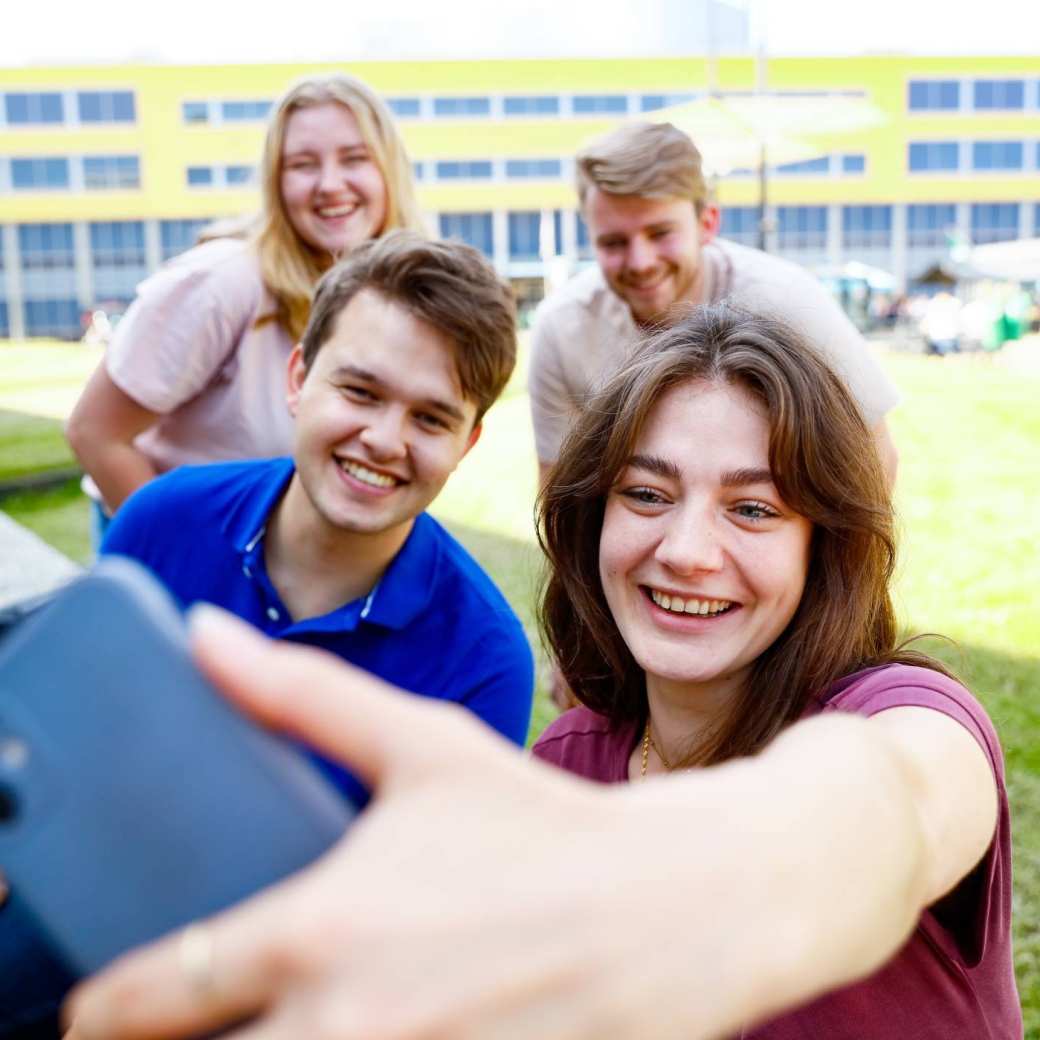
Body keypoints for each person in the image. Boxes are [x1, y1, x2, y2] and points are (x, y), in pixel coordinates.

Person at [61, 308, 1017, 1040]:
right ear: (589, 519)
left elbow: (897, 802)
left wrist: (742, 875)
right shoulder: (559, 767)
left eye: (754, 510)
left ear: (827, 545)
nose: (685, 550)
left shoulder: (909, 715)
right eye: (646, 494)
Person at [101, 231, 535, 800]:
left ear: (466, 443)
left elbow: (434, 879)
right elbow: (78, 732)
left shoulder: (484, 663)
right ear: (298, 379)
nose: (383, 440)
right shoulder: (161, 520)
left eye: (431, 419)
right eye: (360, 392)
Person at [66, 72, 423, 541]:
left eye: (355, 159)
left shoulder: (390, 299)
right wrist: (194, 564)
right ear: (276, 181)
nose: (330, 184)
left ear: (388, 171)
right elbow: (94, 432)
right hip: (179, 545)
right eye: (302, 164)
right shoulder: (221, 282)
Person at [528, 121, 901, 487]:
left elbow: (874, 457)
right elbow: (558, 487)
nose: (640, 262)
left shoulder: (786, 301)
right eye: (613, 243)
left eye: (660, 233)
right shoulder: (562, 328)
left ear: (707, 222)